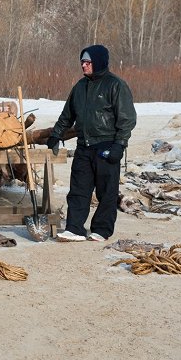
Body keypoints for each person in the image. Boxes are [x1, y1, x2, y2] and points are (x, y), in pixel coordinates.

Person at [47, 44, 137, 242]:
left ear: (98, 62)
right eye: (82, 62)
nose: (83, 65)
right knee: (78, 189)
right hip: (84, 146)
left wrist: (119, 145)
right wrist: (56, 135)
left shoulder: (115, 85)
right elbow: (67, 115)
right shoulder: (80, 87)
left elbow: (127, 118)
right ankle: (75, 228)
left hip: (107, 146)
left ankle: (102, 230)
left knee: (106, 191)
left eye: (87, 62)